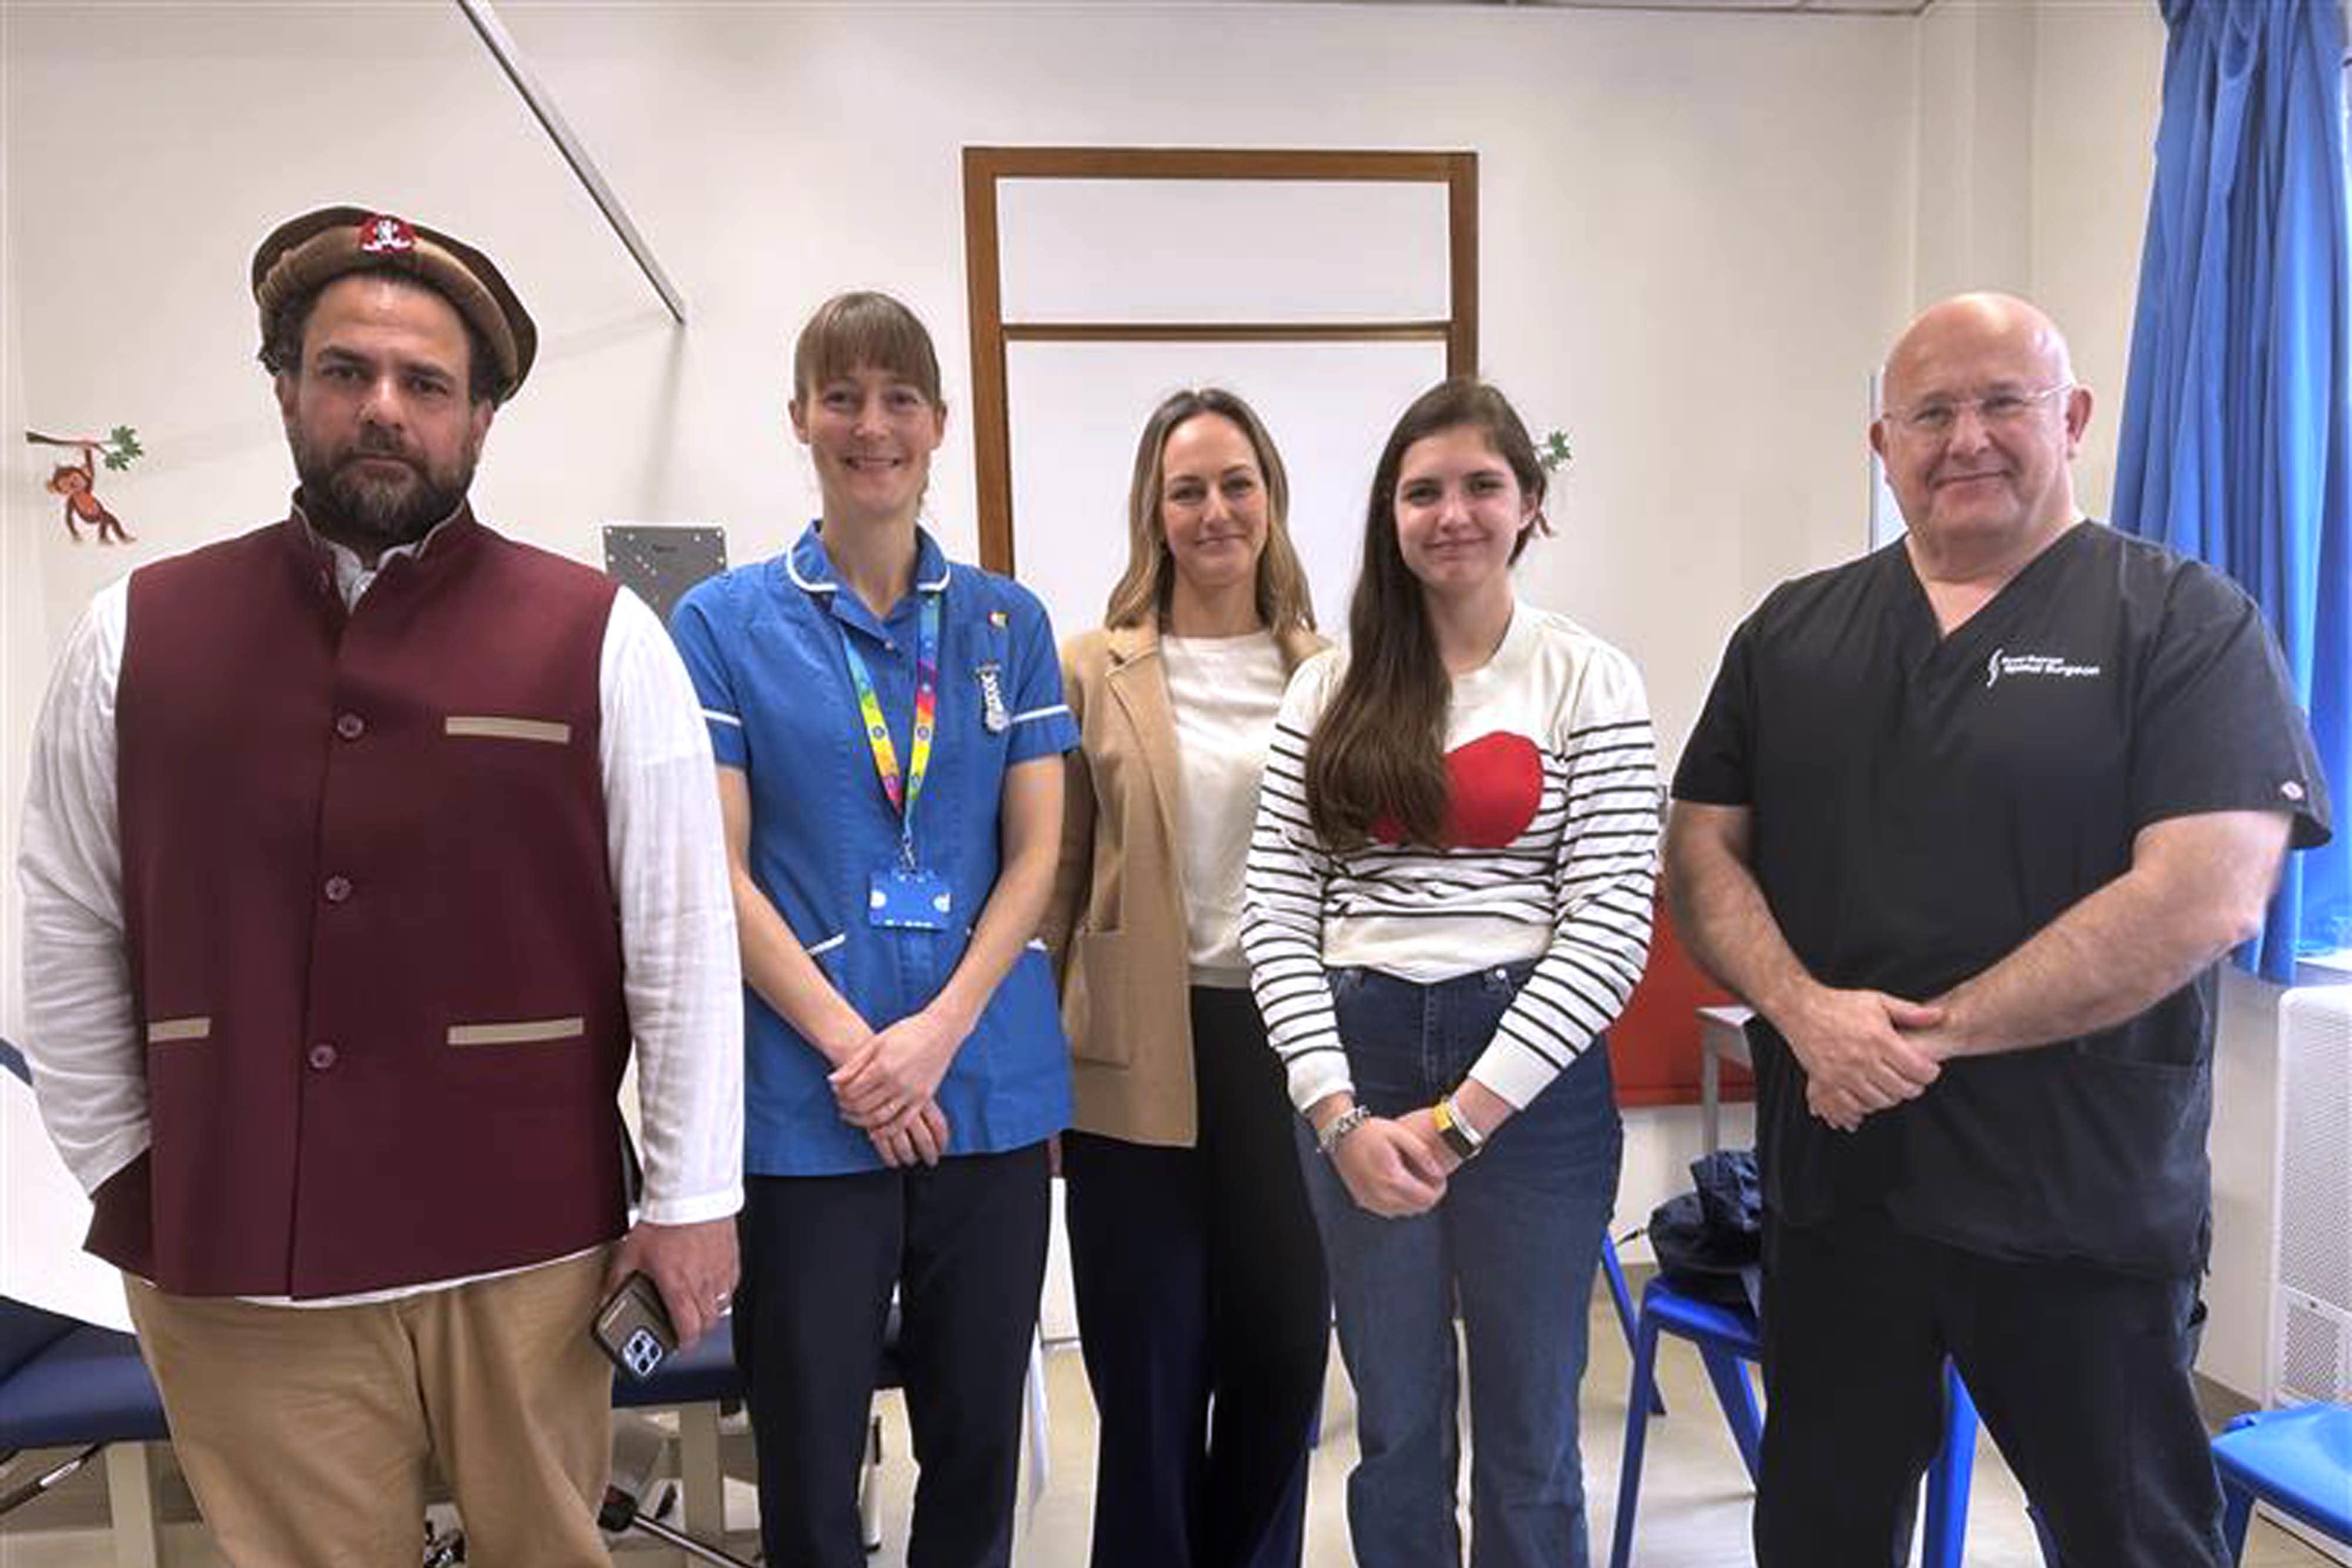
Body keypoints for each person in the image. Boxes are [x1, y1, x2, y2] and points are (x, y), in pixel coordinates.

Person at [15, 205, 744, 1568]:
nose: (383, 409)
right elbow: (66, 916)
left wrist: (693, 1198)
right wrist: (127, 1161)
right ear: (287, 388)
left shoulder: (602, 638)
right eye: (346, 371)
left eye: (425, 384)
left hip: (531, 1244)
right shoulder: (134, 634)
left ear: (478, 420)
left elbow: (682, 937)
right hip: (233, 1249)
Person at [1666, 292, 2333, 1568]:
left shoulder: (2181, 622)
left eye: (1999, 402)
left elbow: (2207, 887)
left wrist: (1929, 1037)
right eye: (1928, 411)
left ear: (2070, 417)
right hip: (1840, 1194)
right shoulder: (1793, 632)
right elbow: (1701, 849)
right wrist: (1805, 1014)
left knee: (2126, 1534)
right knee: (1820, 1526)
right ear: (1882, 443)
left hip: (2074, 1196)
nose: (1962, 437)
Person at [668, 290, 1075, 1568]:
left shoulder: (1009, 622)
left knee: (973, 1444)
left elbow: (1039, 851)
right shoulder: (723, 626)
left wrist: (937, 1035)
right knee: (806, 1445)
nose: (870, 424)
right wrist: (863, 1052)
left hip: (985, 1091)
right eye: (841, 396)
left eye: (898, 397)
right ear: (799, 418)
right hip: (806, 1101)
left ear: (938, 423)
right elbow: (714, 869)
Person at [1241, 377, 1658, 1568]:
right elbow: (1274, 906)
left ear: (1529, 502)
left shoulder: (1587, 678)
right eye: (1421, 490)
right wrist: (1337, 1117)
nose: (1451, 512)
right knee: (1397, 1427)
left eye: (1481, 484)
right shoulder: (1327, 688)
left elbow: (1610, 922)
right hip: (1356, 1061)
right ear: (1390, 513)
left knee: (1530, 1434)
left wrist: (1459, 1123)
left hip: (1529, 1086)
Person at [1044, 387, 1330, 1568]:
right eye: (1186, 488)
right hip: (1133, 1054)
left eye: (1234, 483)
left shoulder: (1335, 672)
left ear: (1268, 500)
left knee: (1280, 1358)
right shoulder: (1087, 666)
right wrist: (1031, 1081)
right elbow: (1053, 878)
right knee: (1151, 1368)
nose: (1213, 510)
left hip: (1295, 1051)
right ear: (1151, 512)